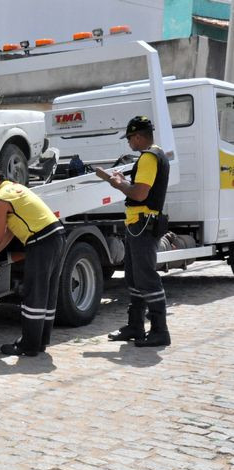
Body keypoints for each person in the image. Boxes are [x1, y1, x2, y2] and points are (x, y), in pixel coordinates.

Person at [0, 163, 65, 356]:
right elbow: (10, 232)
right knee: (46, 293)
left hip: (41, 242)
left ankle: (28, 346)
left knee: (34, 294)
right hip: (56, 236)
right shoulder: (16, 188)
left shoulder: (0, 200)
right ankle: (40, 341)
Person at [99, 115, 171, 347]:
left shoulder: (149, 158)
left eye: (130, 138)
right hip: (138, 224)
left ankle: (160, 330)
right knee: (134, 277)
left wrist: (118, 184)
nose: (129, 143)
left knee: (146, 278)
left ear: (138, 136)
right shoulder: (155, 154)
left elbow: (140, 194)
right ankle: (135, 326)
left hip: (143, 224)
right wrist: (123, 180)